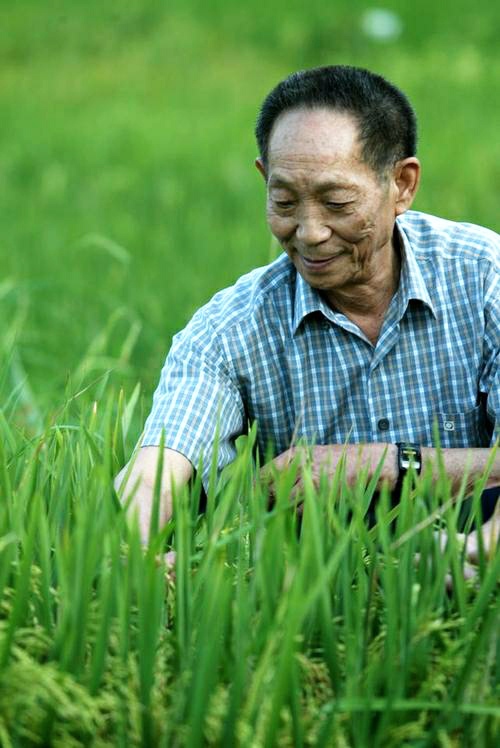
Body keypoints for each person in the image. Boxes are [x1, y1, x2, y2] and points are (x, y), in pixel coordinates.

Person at [115, 65, 499, 561]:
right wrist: (135, 544)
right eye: (284, 201)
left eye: (337, 202)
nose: (310, 231)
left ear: (402, 184)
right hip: (315, 593)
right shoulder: (230, 329)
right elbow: (160, 468)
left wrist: (388, 465)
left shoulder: (484, 278)